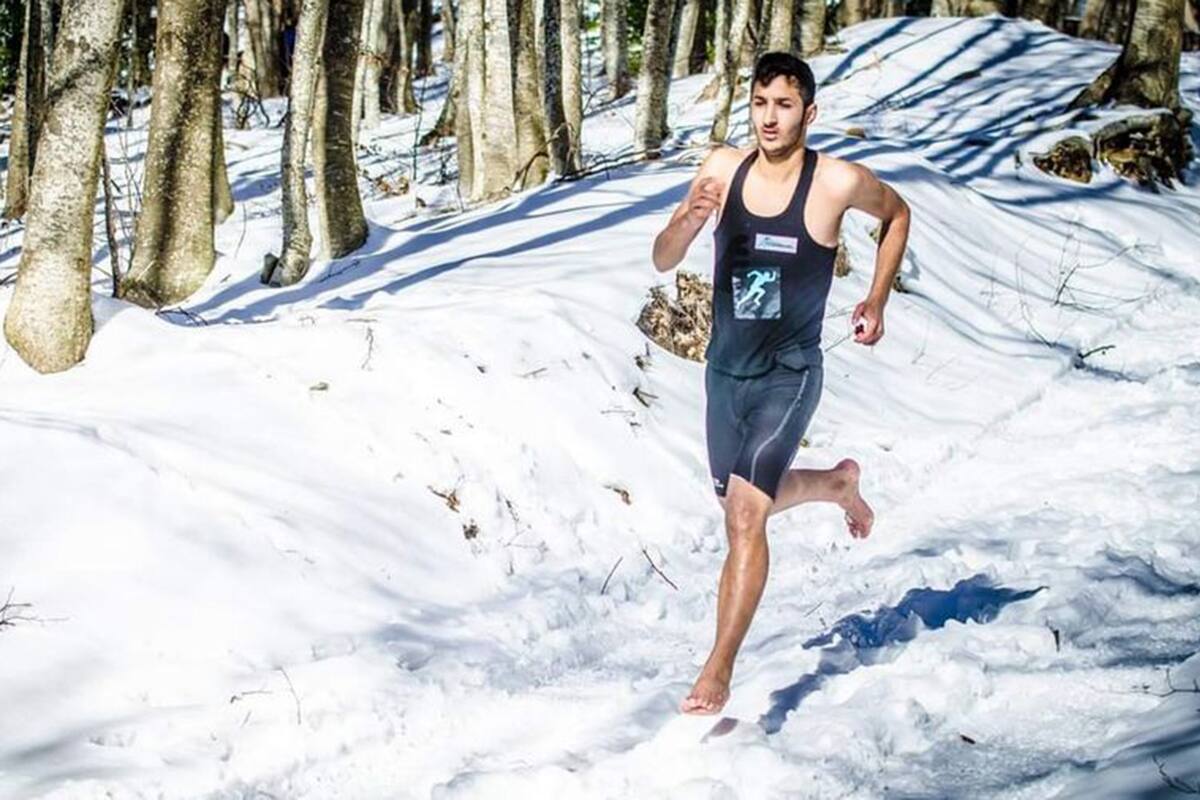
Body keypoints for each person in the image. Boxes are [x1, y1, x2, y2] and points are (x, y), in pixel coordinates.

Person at [650, 52, 911, 716]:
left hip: (790, 374)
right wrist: (687, 222)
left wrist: (876, 299)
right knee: (739, 498)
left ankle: (718, 667)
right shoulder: (720, 170)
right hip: (725, 371)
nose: (769, 117)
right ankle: (833, 485)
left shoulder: (837, 182)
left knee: (745, 514)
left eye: (784, 105)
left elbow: (898, 215)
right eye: (760, 103)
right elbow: (664, 257)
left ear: (809, 113)